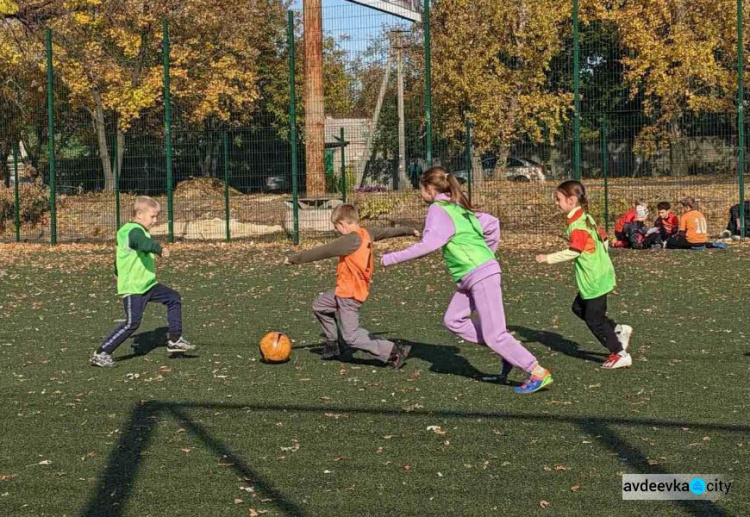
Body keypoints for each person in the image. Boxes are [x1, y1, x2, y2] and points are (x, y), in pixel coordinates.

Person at [381, 166, 553, 394]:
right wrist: (488, 253)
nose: (419, 194)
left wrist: (389, 258)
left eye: (420, 189)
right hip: (471, 276)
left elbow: (428, 245)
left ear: (430, 189)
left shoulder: (438, 209)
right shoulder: (457, 207)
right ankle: (507, 351)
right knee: (453, 320)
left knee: (495, 334)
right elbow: (492, 224)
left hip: (480, 274)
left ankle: (536, 371)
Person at [285, 204, 417, 369]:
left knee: (351, 336)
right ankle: (333, 343)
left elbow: (322, 251)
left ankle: (392, 351)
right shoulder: (367, 233)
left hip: (350, 295)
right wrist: (409, 230)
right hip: (344, 289)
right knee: (320, 306)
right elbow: (388, 232)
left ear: (342, 224)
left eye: (336, 227)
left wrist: (294, 259)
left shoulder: (350, 240)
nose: (337, 231)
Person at [536, 180, 633, 369]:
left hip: (594, 279)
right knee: (578, 308)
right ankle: (618, 330)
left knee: (594, 320)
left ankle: (620, 353)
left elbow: (575, 251)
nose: (556, 203)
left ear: (571, 200)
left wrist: (547, 258)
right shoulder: (585, 217)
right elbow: (604, 239)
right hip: (599, 275)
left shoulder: (578, 224)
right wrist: (601, 260)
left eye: (558, 199)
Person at [90, 196, 195, 367]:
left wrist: (116, 271)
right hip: (134, 288)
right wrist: (159, 249)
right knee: (132, 323)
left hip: (148, 285)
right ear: (139, 214)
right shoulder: (133, 231)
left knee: (173, 298)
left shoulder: (135, 231)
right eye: (153, 216)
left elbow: (120, 257)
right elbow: (143, 243)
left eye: (157, 216)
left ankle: (175, 340)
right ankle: (101, 353)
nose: (155, 220)